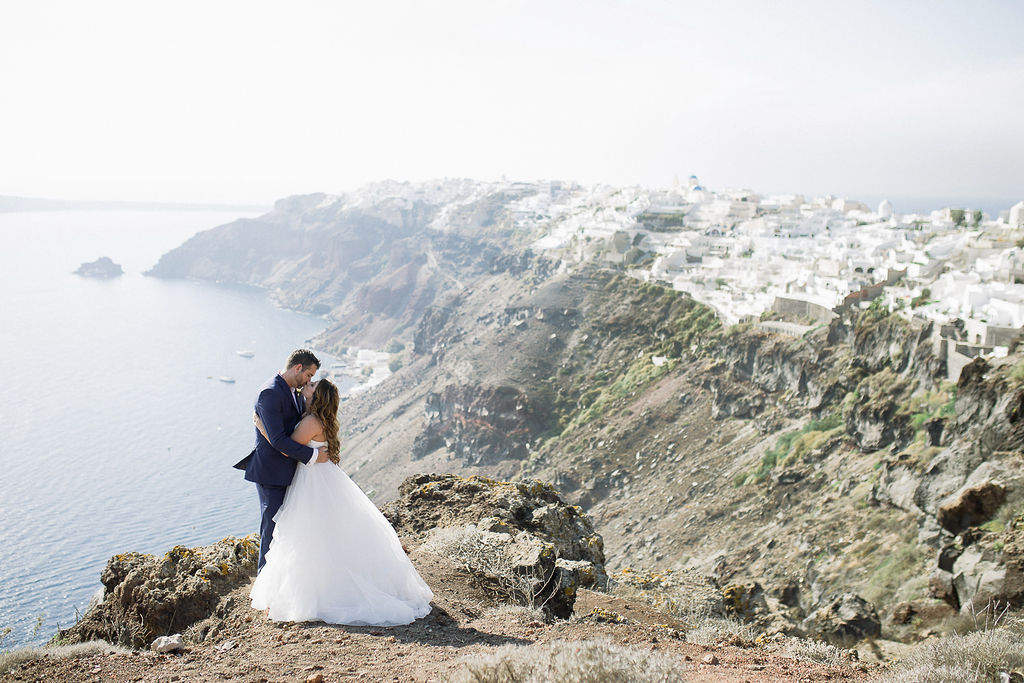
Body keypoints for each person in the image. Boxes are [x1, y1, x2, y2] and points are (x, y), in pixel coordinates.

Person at [250, 378, 433, 625]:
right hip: (322, 477)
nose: (308, 383)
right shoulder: (319, 419)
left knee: (308, 534)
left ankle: (317, 589)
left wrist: (261, 426)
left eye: (313, 385)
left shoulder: (311, 421)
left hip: (312, 482)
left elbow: (286, 448)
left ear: (317, 397)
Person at [234, 349, 329, 572]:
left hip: (291, 473)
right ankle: (264, 581)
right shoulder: (270, 393)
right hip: (272, 474)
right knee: (272, 527)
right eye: (308, 375)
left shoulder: (294, 392)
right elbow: (278, 440)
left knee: (289, 527)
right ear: (298, 368)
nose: (309, 381)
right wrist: (314, 456)